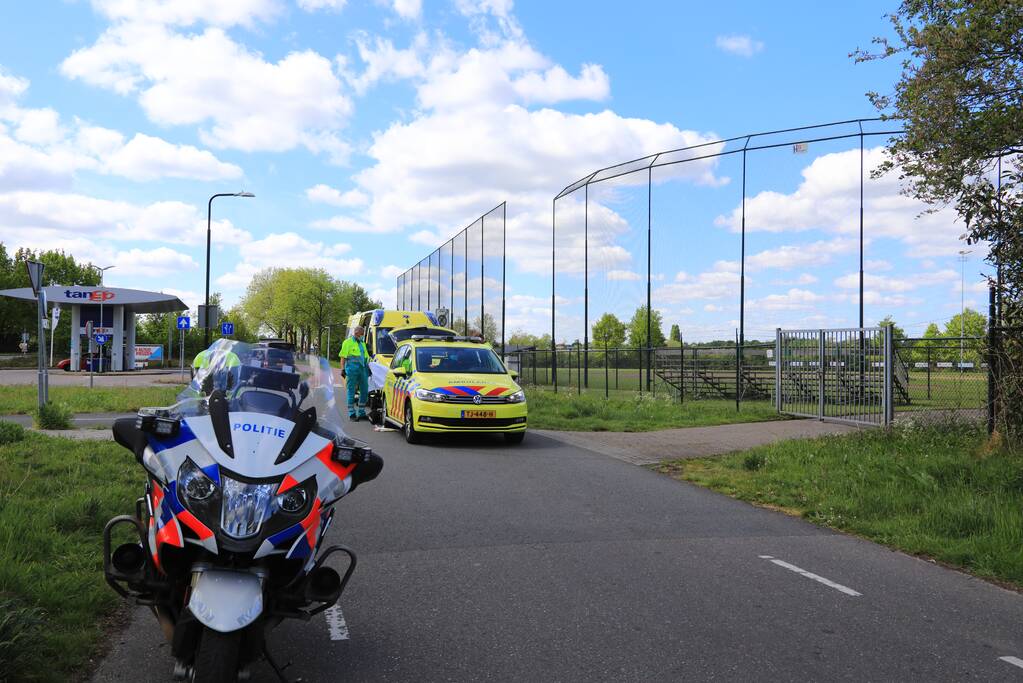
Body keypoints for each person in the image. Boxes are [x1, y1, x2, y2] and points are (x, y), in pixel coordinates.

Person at [340, 326, 370, 421]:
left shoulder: (362, 344)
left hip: (362, 370)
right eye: (361, 334)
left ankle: (361, 412)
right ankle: (352, 413)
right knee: (351, 391)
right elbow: (343, 357)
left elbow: (366, 358)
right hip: (351, 370)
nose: (362, 336)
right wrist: (342, 369)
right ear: (356, 333)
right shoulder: (347, 343)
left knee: (365, 390)